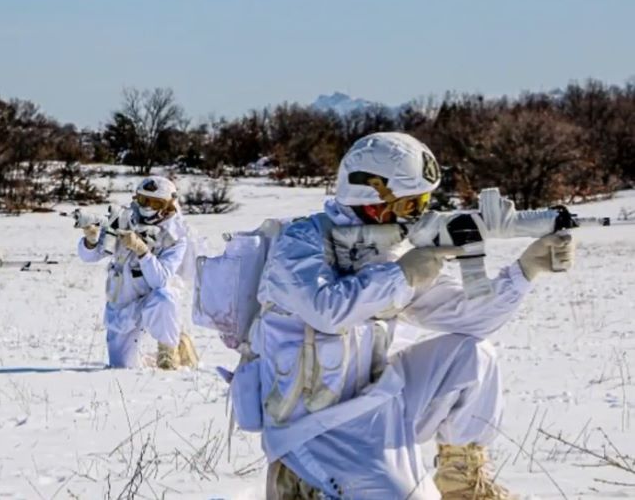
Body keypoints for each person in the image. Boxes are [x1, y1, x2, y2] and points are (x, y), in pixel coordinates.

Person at [243, 132, 576, 499]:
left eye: (424, 202)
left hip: (379, 403)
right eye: (409, 203)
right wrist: (401, 274)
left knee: (473, 356)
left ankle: (461, 483)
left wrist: (525, 271)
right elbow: (327, 310)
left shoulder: (393, 250)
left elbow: (469, 319)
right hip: (314, 428)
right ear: (370, 196)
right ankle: (301, 485)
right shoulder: (301, 241)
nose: (417, 215)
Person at [77, 176, 199, 370]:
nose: (147, 207)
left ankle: (169, 349)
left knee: (165, 297)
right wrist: (91, 241)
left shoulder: (175, 238)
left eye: (154, 202)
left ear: (168, 204)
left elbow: (160, 280)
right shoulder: (124, 219)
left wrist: (142, 251)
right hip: (123, 305)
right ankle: (167, 345)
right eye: (143, 200)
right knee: (122, 367)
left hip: (151, 300)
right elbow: (89, 257)